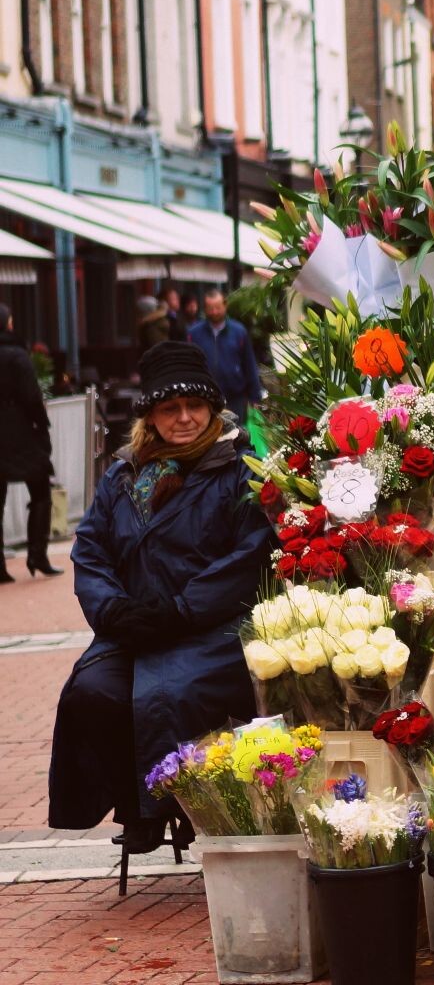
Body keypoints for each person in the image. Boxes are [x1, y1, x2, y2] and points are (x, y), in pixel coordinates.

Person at [48, 341, 275, 852]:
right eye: (170, 408)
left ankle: (171, 808)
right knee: (91, 693)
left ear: (212, 409)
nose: (185, 418)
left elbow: (249, 552)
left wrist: (180, 610)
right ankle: (135, 807)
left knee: (168, 694)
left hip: (210, 628)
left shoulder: (240, 469)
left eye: (195, 406)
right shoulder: (124, 473)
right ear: (151, 416)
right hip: (132, 628)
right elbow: (90, 551)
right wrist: (113, 610)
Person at [0, 304, 62, 582]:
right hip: (21, 432)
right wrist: (41, 424)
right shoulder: (17, 354)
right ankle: (38, 554)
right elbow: (31, 396)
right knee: (40, 491)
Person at [189, 288, 262, 423]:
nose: (215, 312)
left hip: (235, 397)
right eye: (210, 308)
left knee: (236, 436)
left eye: (218, 307)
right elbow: (188, 365)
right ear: (205, 309)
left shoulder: (239, 331)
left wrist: (255, 396)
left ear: (225, 305)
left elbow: (249, 363)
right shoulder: (194, 333)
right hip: (205, 397)